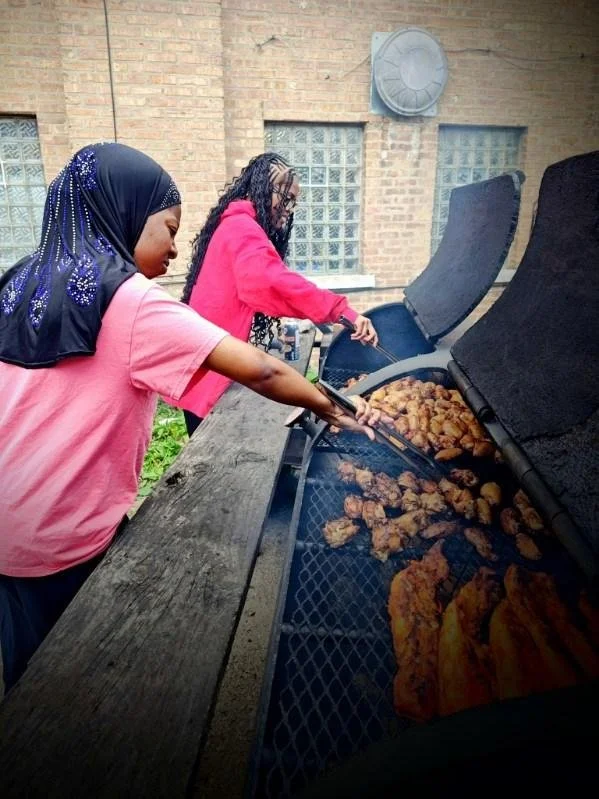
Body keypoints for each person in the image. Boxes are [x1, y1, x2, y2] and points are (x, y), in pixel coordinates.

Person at [0, 143, 379, 695]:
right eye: (168, 228)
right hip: (64, 533)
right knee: (72, 685)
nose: (176, 247)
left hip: (10, 523)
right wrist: (330, 404)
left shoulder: (17, 280)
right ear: (123, 213)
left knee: (26, 670)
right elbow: (264, 373)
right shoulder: (128, 299)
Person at [179, 152, 379, 436]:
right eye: (284, 198)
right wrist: (339, 310)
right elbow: (271, 281)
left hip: (213, 366)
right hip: (213, 377)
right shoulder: (241, 228)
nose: (288, 209)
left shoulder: (236, 223)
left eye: (292, 202)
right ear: (260, 188)